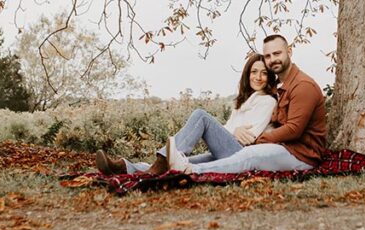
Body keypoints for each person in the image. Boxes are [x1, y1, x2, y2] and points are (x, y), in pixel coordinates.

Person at [166, 33, 327, 175]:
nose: (272, 59)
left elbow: (294, 129)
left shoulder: (303, 86)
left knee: (249, 155)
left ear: (289, 52)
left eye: (277, 53)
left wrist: (260, 140)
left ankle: (191, 171)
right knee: (206, 157)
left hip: (302, 155)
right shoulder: (283, 87)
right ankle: (157, 165)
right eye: (268, 56)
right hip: (284, 147)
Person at [95, 53, 278, 176]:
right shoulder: (242, 103)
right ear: (247, 74)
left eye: (264, 73)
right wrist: (234, 130)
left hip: (241, 154)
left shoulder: (268, 101)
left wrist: (233, 131)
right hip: (226, 149)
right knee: (182, 162)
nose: (258, 77)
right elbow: (230, 131)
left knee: (200, 116)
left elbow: (249, 138)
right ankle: (125, 166)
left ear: (269, 77)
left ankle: (162, 160)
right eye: (254, 72)